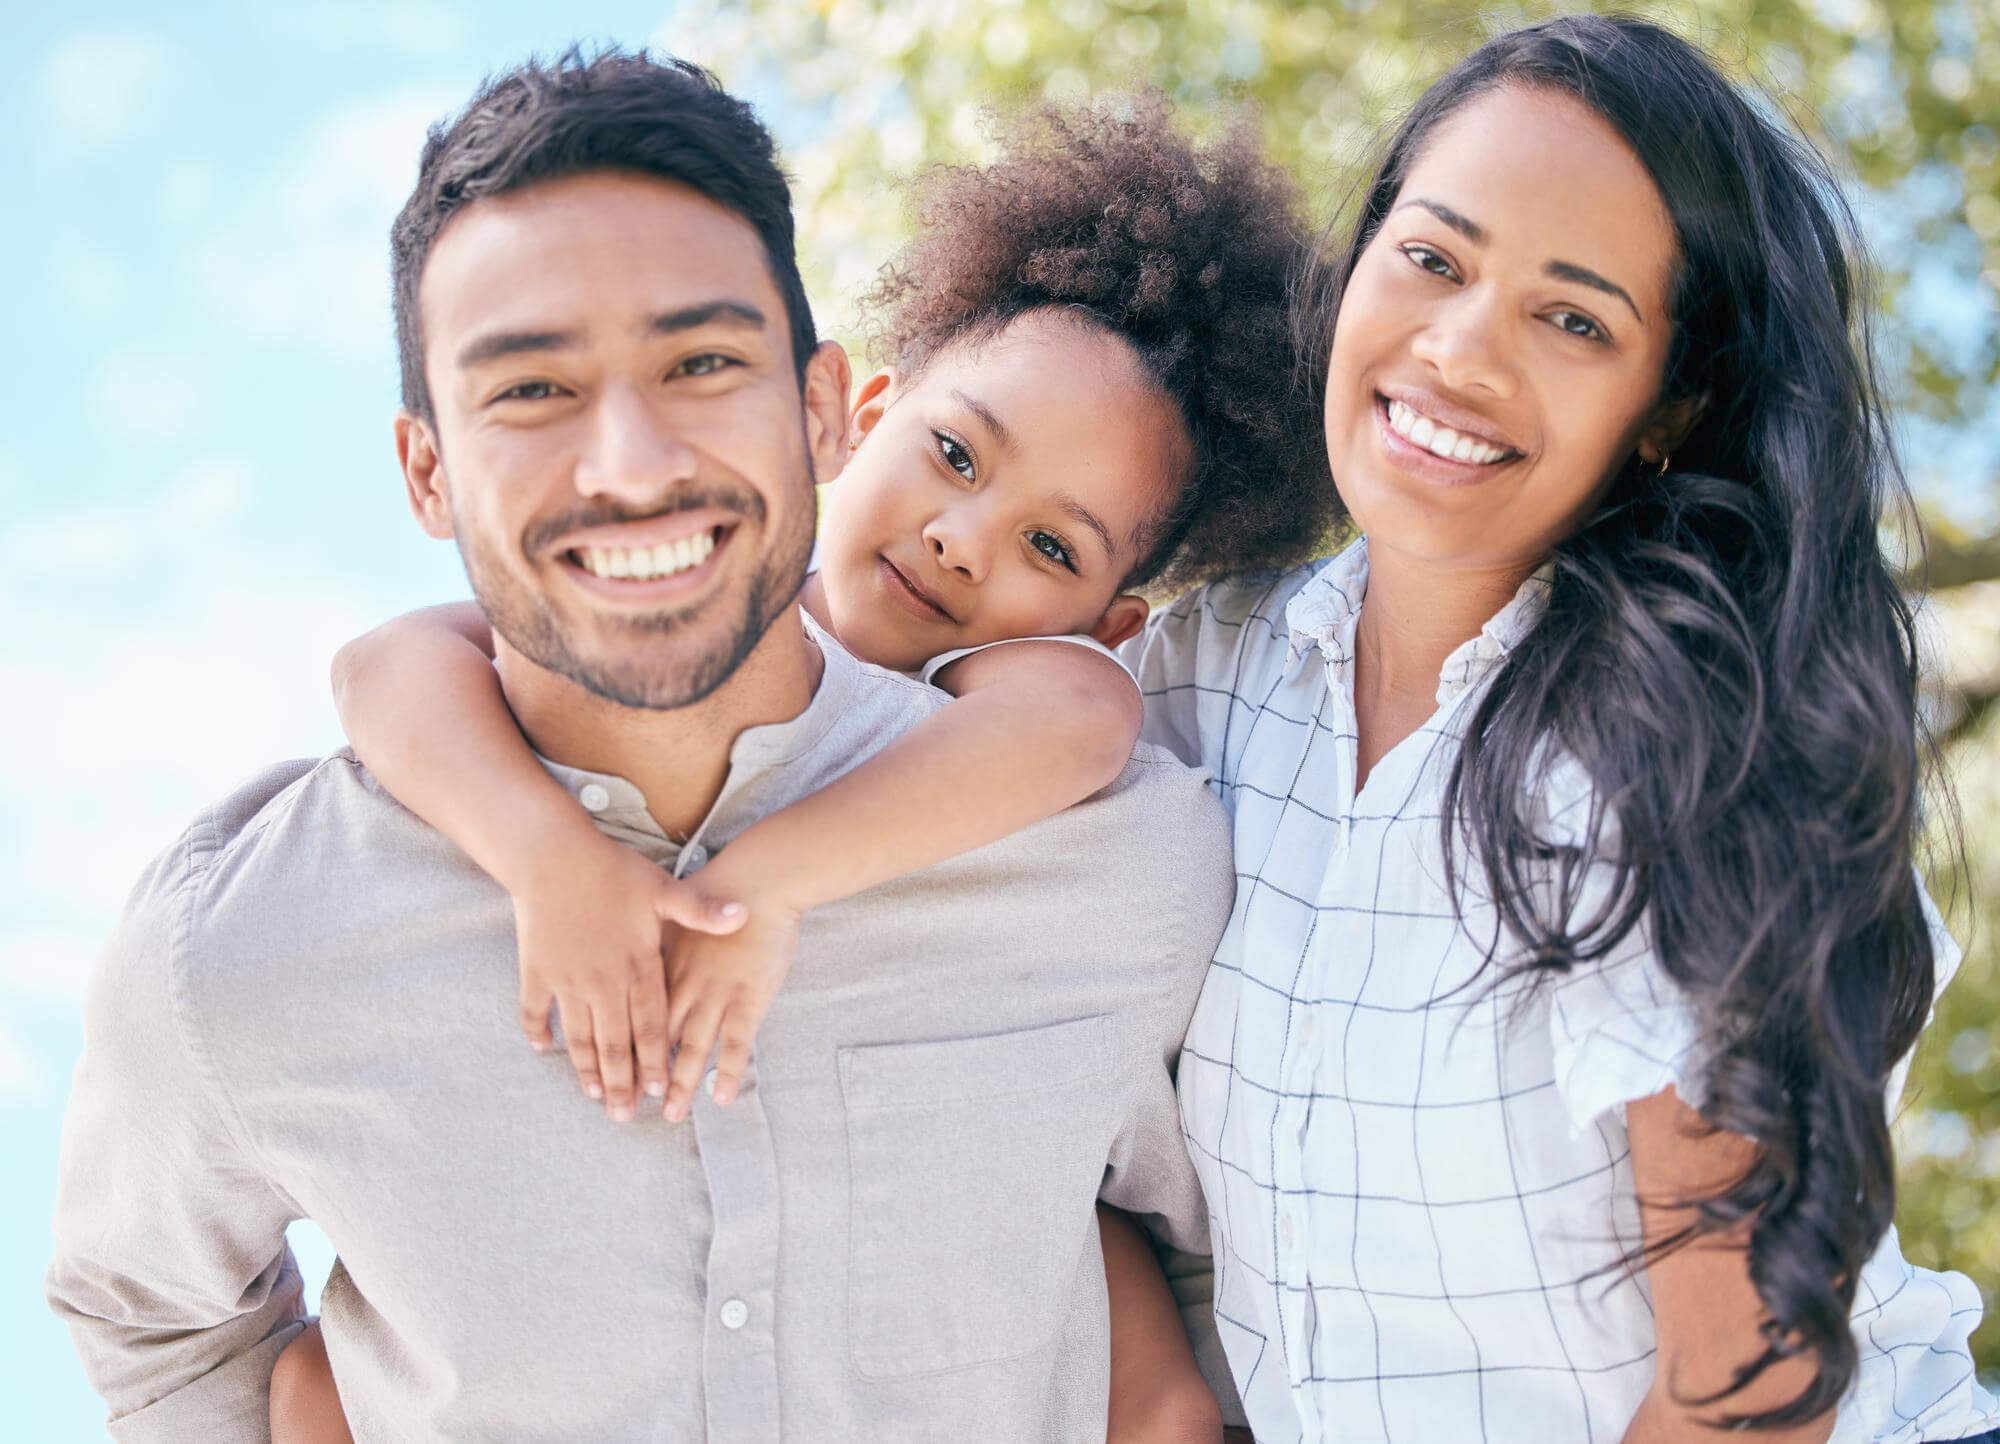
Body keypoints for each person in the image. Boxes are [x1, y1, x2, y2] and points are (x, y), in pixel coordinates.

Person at [46, 51, 1254, 1443]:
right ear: (425, 471)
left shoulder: (1109, 847)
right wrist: (541, 853)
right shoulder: (251, 939)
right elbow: (156, 1332)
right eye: (531, 390)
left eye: (699, 363)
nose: (628, 463)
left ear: (812, 403)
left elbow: (1234, 1265)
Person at [1123, 15, 2000, 1443]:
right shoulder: (1200, 671)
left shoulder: (1695, 756)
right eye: (1433, 258)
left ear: (1672, 407)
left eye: (1575, 317)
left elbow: (1750, 1395)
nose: (1461, 350)